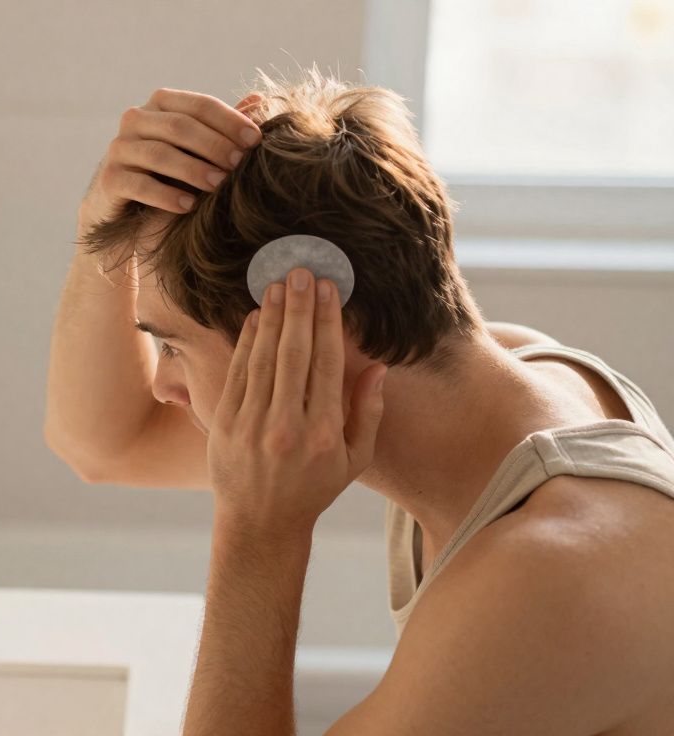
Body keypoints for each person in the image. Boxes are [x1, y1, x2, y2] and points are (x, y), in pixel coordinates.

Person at [45, 69, 674, 734]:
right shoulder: (503, 375)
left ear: (307, 309)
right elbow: (108, 443)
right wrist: (102, 221)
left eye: (171, 346)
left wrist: (260, 532)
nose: (163, 386)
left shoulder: (550, 571)